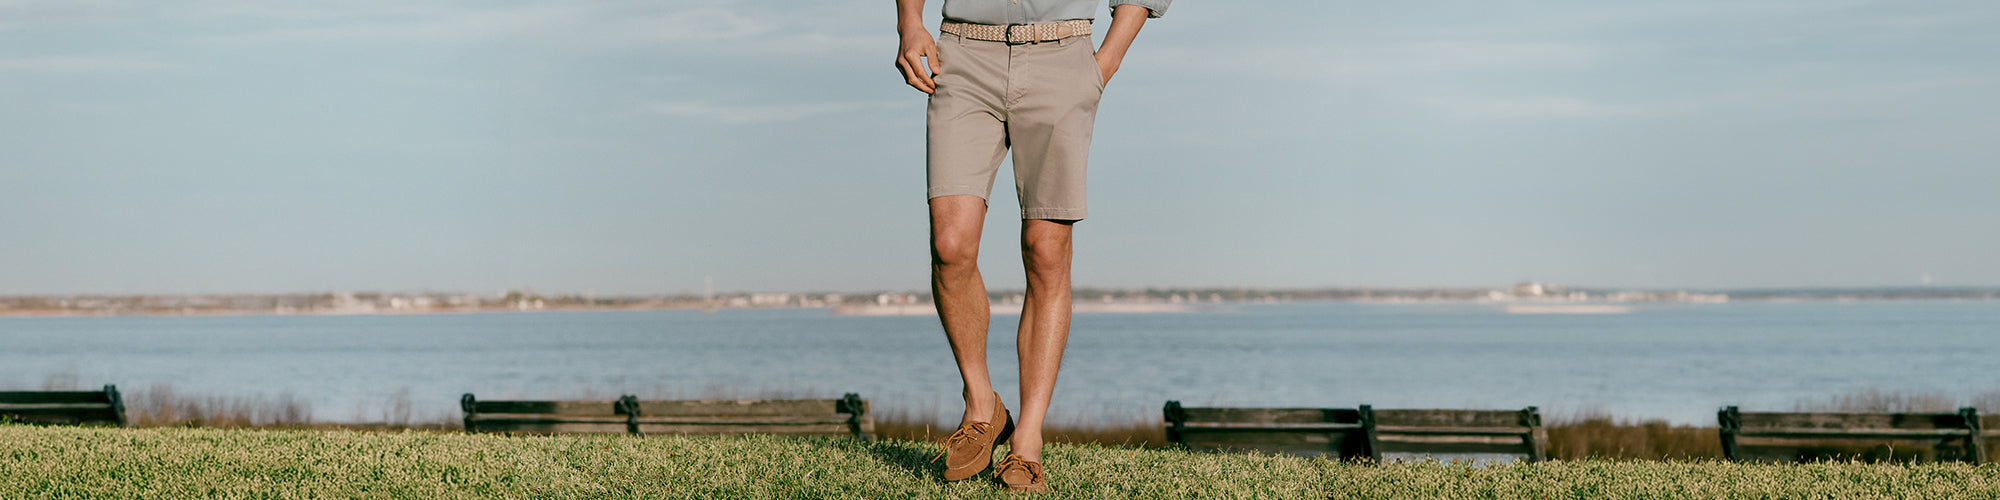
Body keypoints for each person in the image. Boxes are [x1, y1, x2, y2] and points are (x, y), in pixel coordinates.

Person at [893, 0, 1168, 492]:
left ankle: (1028, 441)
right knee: (950, 243)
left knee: (1046, 250)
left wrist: (1107, 60)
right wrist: (909, 23)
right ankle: (982, 406)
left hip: (1062, 56)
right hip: (963, 53)